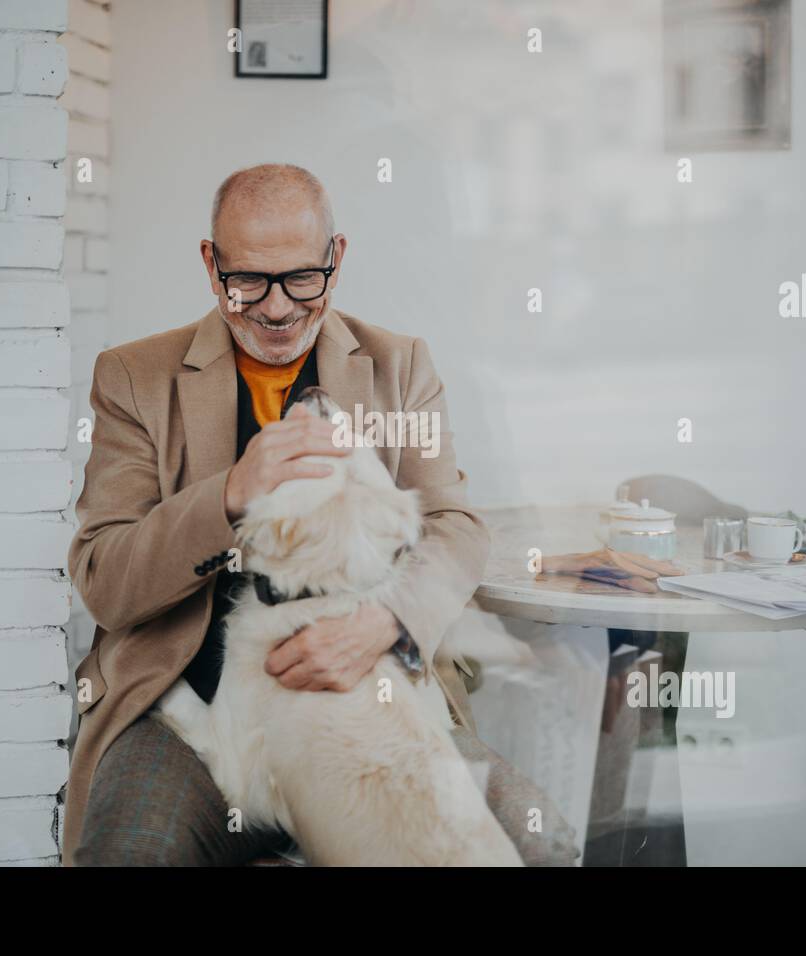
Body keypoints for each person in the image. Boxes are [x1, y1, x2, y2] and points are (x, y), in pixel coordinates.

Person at [64, 163, 578, 866]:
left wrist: (386, 622)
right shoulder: (133, 376)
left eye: (301, 278)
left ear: (336, 259)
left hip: (364, 702)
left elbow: (457, 528)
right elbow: (105, 578)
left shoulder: (400, 366)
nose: (276, 309)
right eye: (248, 280)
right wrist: (227, 497)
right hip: (182, 713)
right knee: (131, 854)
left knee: (537, 841)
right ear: (212, 265)